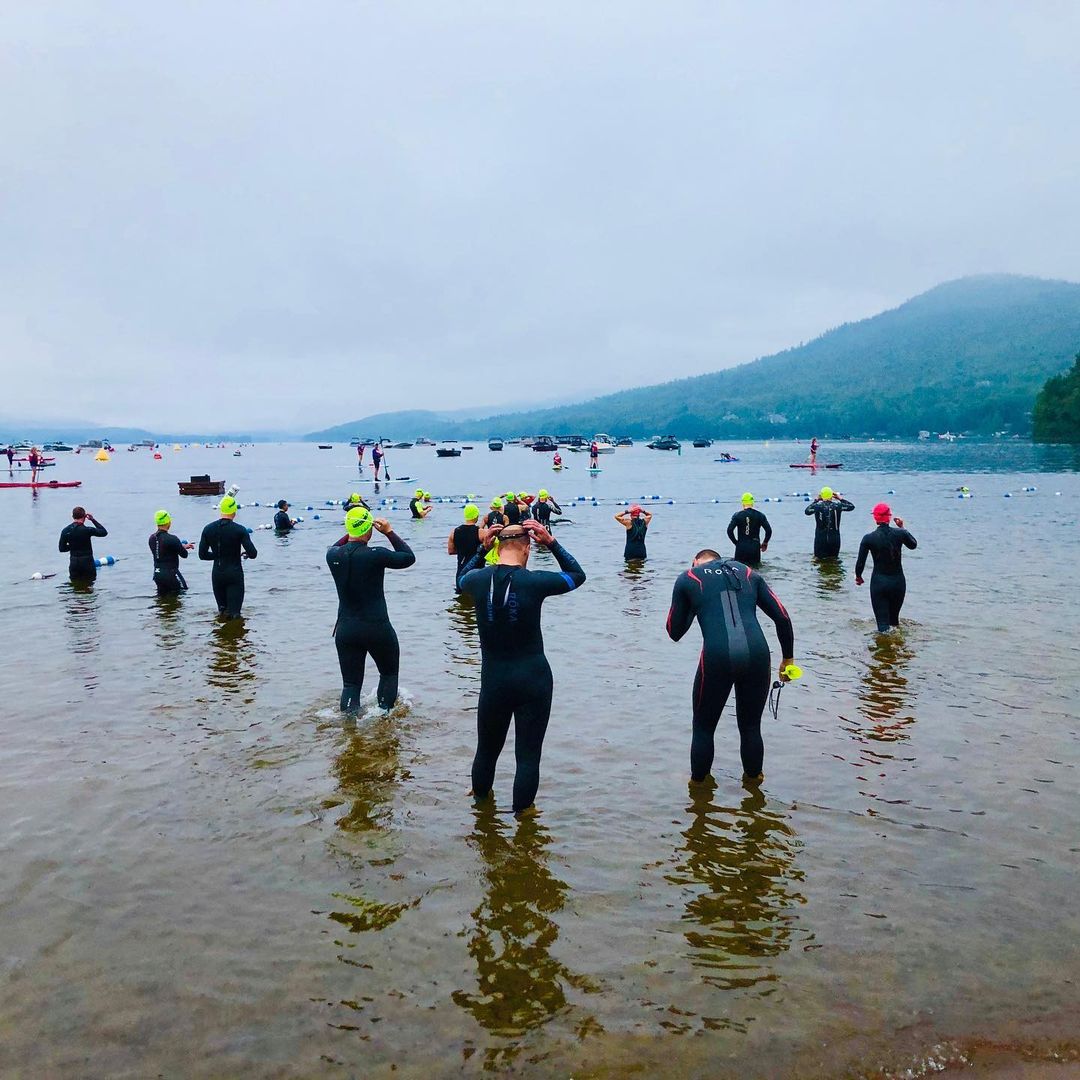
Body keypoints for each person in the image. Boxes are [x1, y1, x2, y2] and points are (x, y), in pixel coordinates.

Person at [457, 519, 586, 815]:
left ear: (497, 547)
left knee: (486, 751)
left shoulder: (477, 580)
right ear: (527, 549)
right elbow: (577, 575)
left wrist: (481, 549)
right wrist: (551, 543)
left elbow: (460, 577)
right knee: (528, 757)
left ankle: (482, 814)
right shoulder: (535, 581)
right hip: (533, 680)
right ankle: (523, 821)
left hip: (495, 682)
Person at [666, 550, 795, 784]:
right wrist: (788, 659)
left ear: (695, 562)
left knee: (703, 728)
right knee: (751, 727)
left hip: (717, 656)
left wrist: (694, 604)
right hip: (757, 654)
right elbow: (783, 617)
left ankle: (699, 790)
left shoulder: (689, 578)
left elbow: (674, 632)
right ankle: (754, 787)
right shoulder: (748, 573)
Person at [326, 506, 415, 713]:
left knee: (350, 685)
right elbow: (408, 557)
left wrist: (353, 529)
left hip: (346, 630)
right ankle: (383, 720)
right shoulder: (376, 555)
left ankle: (349, 725)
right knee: (388, 674)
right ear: (370, 528)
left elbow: (338, 544)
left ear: (348, 528)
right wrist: (389, 532)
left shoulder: (332, 555)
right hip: (377, 627)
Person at [855, 503, 918, 633]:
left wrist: (858, 577)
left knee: (883, 625)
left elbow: (860, 563)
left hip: (879, 583)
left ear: (875, 518)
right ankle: (897, 645)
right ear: (889, 517)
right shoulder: (900, 533)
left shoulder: (868, 538)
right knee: (894, 622)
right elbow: (913, 545)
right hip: (898, 583)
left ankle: (884, 645)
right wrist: (902, 528)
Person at [198, 496, 257, 618]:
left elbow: (202, 555)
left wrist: (218, 555)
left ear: (221, 510)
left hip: (217, 575)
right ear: (234, 511)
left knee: (222, 611)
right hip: (234, 574)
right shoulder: (240, 530)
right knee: (235, 614)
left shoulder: (208, 529)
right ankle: (235, 630)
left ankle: (222, 629)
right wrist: (242, 554)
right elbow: (253, 553)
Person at [149, 510, 193, 595]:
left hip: (157, 575)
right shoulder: (172, 538)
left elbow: (162, 550)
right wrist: (181, 546)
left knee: (162, 599)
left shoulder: (152, 538)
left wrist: (180, 546)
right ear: (169, 522)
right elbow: (184, 555)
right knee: (183, 593)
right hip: (171, 574)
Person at [58, 506, 108, 581]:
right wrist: (93, 520)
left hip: (74, 563)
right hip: (87, 563)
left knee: (75, 585)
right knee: (89, 584)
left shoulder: (65, 531)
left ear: (72, 517)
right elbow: (104, 532)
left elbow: (62, 549)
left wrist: (73, 546)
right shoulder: (87, 530)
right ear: (84, 517)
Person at [804, 486, 855, 558]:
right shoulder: (838, 506)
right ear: (832, 496)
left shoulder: (817, 506)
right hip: (834, 539)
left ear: (821, 496)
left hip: (820, 539)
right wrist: (840, 499)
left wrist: (816, 500)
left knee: (819, 560)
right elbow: (851, 506)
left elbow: (807, 511)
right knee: (834, 560)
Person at [726, 492, 772, 567]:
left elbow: (729, 531)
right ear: (752, 503)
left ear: (743, 503)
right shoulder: (760, 515)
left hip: (741, 547)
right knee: (756, 569)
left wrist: (736, 543)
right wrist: (765, 542)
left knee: (740, 569)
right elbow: (768, 531)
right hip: (755, 547)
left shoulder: (737, 515)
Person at [448, 503, 483, 588]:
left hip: (460, 572)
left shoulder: (454, 532)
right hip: (476, 571)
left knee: (460, 594)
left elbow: (450, 551)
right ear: (477, 516)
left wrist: (462, 550)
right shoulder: (481, 532)